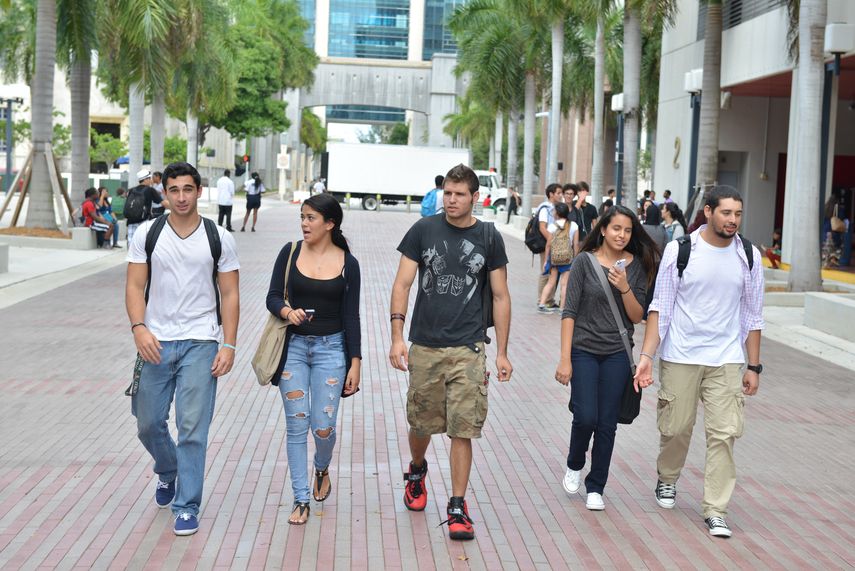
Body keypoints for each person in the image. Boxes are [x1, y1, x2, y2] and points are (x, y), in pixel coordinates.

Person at [389, 164, 512, 541]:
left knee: (464, 427)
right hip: (425, 344)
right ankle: (417, 468)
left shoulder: (489, 238)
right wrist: (397, 335)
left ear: (475, 197)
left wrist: (503, 352)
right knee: (421, 423)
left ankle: (457, 505)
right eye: (448, 193)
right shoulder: (423, 231)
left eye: (459, 194)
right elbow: (402, 283)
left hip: (469, 347)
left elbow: (501, 295)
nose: (452, 200)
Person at [634, 186, 765, 539]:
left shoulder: (749, 256)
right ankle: (668, 477)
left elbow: (753, 315)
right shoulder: (682, 250)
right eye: (726, 213)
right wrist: (647, 357)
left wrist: (753, 366)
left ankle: (716, 508)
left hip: (726, 360)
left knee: (724, 434)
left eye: (738, 214)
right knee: (676, 427)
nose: (733, 220)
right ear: (708, 212)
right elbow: (660, 306)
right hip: (681, 355)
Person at [125, 162, 240, 536]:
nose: (181, 197)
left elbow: (230, 293)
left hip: (201, 341)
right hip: (155, 340)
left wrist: (229, 343)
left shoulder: (218, 236)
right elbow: (133, 285)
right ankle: (168, 468)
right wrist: (139, 328)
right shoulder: (148, 233)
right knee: (147, 423)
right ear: (164, 192)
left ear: (199, 191)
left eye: (187, 189)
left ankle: (187, 505)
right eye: (173, 190)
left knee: (192, 427)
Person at [554, 205, 659, 512]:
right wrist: (565, 359)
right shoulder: (584, 262)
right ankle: (575, 463)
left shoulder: (636, 266)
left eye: (627, 230)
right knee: (585, 416)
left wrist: (624, 286)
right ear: (602, 229)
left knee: (607, 423)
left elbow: (637, 315)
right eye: (616, 229)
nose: (622, 235)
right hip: (584, 350)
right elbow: (569, 312)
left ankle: (596, 485)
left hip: (617, 352)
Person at [265, 193, 362, 526]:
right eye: (302, 218)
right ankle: (300, 498)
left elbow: (352, 316)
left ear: (330, 223)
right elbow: (273, 295)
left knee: (323, 427)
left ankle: (321, 467)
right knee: (297, 423)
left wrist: (355, 361)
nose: (304, 224)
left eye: (311, 218)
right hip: (293, 348)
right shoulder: (290, 252)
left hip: (331, 350)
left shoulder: (348, 263)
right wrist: (287, 311)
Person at [538, 202, 579, 313]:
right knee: (564, 284)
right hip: (567, 259)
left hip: (554, 259)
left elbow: (548, 245)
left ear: (558, 213)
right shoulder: (574, 226)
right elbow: (575, 245)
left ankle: (541, 304)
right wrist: (575, 259)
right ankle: (562, 308)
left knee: (551, 282)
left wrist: (546, 260)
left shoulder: (552, 226)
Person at [537, 183, 563, 306]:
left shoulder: (556, 208)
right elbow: (542, 228)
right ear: (551, 194)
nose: (561, 195)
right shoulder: (545, 208)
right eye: (558, 193)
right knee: (545, 271)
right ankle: (541, 300)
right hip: (546, 245)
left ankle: (549, 300)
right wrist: (553, 242)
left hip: (554, 245)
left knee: (553, 273)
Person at [126, 169, 168, 244]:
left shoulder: (132, 190)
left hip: (131, 221)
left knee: (131, 243)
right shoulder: (150, 190)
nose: (151, 181)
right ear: (146, 179)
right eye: (150, 179)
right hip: (143, 221)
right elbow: (164, 203)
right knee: (143, 244)